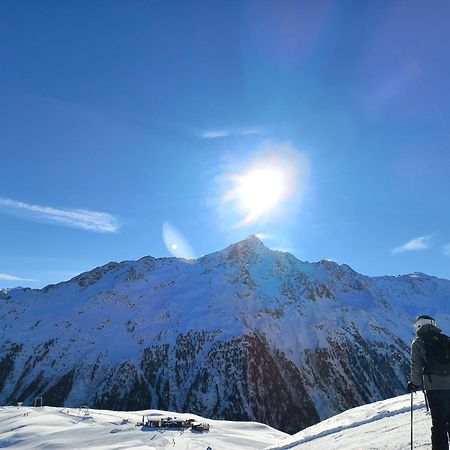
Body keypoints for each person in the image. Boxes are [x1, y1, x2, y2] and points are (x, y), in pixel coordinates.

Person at [408, 315, 450, 450]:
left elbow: (416, 366)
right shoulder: (446, 339)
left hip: (435, 389)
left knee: (439, 425)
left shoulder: (419, 342)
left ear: (419, 326)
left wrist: (414, 384)